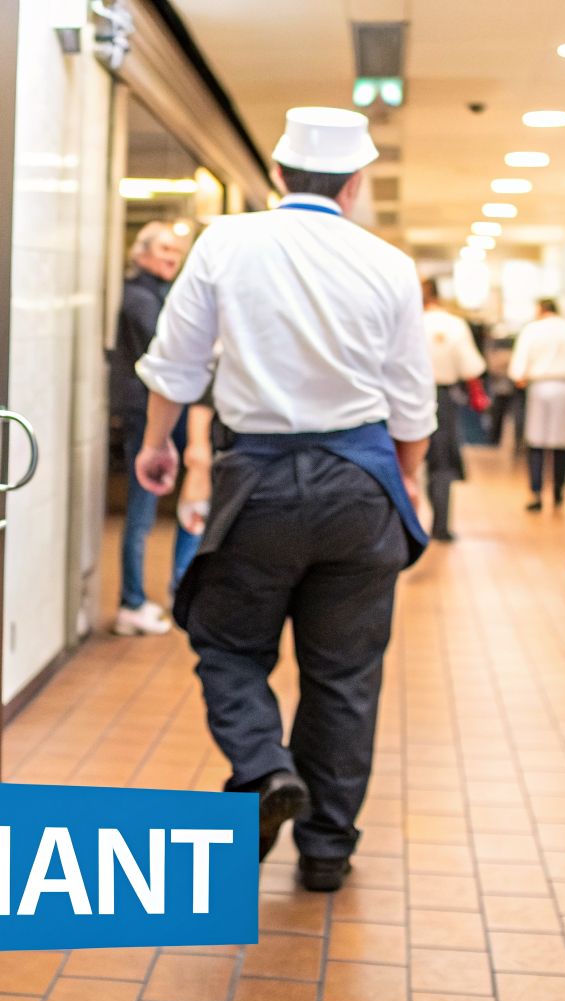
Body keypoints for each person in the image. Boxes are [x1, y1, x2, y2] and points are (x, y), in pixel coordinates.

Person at [132, 107, 434, 893]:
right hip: (360, 486)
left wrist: (159, 444)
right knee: (344, 676)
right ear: (355, 183)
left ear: (276, 173)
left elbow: (176, 365)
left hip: (257, 483)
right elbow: (411, 401)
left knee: (227, 644)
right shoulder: (390, 264)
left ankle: (265, 769)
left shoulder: (225, 242)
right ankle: (327, 850)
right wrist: (410, 482)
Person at [108, 221, 198, 636]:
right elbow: (169, 354)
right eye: (163, 248)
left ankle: (180, 588)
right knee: (142, 512)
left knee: (188, 502)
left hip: (165, 416)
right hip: (146, 418)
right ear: (139, 253)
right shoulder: (139, 300)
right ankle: (132, 602)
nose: (171, 256)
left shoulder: (164, 296)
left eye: (176, 250)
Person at [509, 298, 565, 511]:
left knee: (536, 440)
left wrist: (519, 377)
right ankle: (558, 491)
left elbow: (518, 369)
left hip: (539, 387)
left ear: (541, 310)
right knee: (562, 442)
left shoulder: (532, 330)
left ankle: (536, 492)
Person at [421, 279, 485, 541]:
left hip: (405, 395)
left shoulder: (406, 320)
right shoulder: (453, 325)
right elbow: (470, 367)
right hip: (441, 397)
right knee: (442, 463)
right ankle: (440, 526)